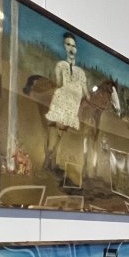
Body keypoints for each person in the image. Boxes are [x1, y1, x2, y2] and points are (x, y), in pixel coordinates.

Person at [43, 33, 90, 171]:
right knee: (55, 131)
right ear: (64, 47)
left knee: (64, 135)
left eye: (73, 46)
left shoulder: (81, 72)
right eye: (68, 45)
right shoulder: (60, 65)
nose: (71, 48)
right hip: (62, 103)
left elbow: (86, 93)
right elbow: (58, 83)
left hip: (73, 106)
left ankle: (55, 159)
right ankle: (49, 157)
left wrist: (87, 96)